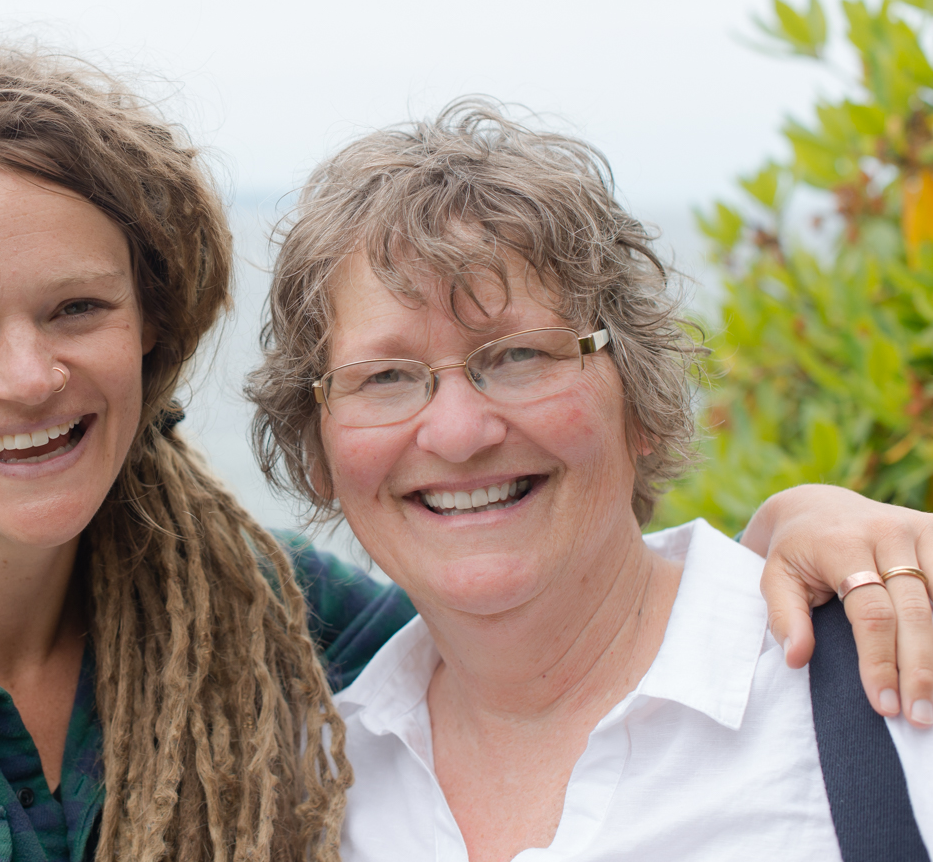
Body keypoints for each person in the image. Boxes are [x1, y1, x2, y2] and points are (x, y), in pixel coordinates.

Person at [0, 49, 927, 862]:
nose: (25, 374)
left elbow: (543, 617)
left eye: (78, 309)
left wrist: (800, 530)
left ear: (154, 327)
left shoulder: (298, 641)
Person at [246, 100, 933, 861]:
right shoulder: (312, 795)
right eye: (385, 376)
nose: (458, 431)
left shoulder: (891, 686)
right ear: (320, 454)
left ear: (638, 399)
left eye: (519, 355)